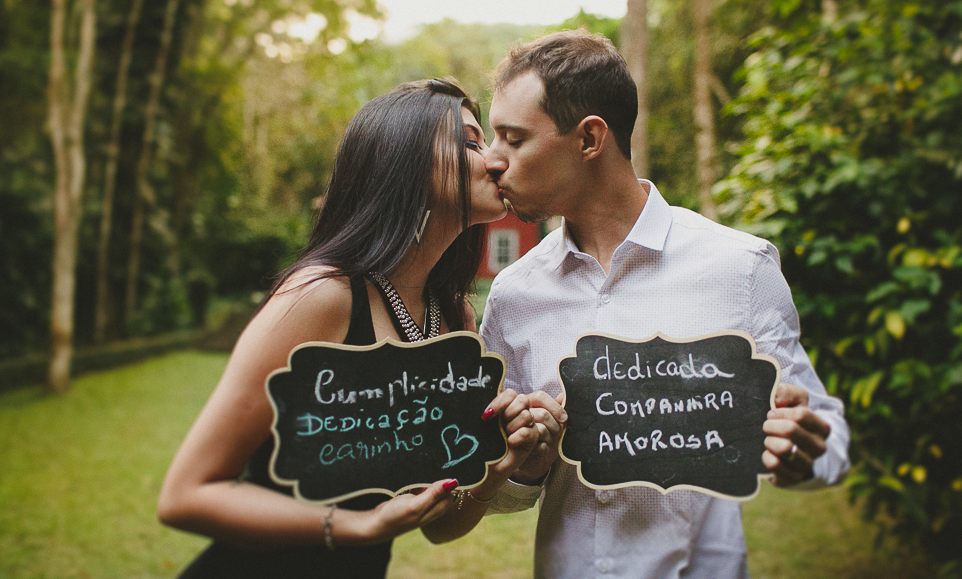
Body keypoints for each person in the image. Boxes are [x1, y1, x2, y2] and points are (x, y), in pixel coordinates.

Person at [478, 29, 851, 578]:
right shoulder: (513, 295)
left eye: (513, 139)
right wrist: (524, 467)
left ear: (589, 139)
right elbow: (496, 489)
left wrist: (805, 452)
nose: (492, 160)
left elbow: (827, 435)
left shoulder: (739, 268)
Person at [157, 78, 541, 578]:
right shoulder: (324, 296)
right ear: (405, 161)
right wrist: (352, 527)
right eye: (470, 142)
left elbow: (438, 526)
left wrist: (500, 465)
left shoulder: (454, 320)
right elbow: (186, 495)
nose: (495, 159)